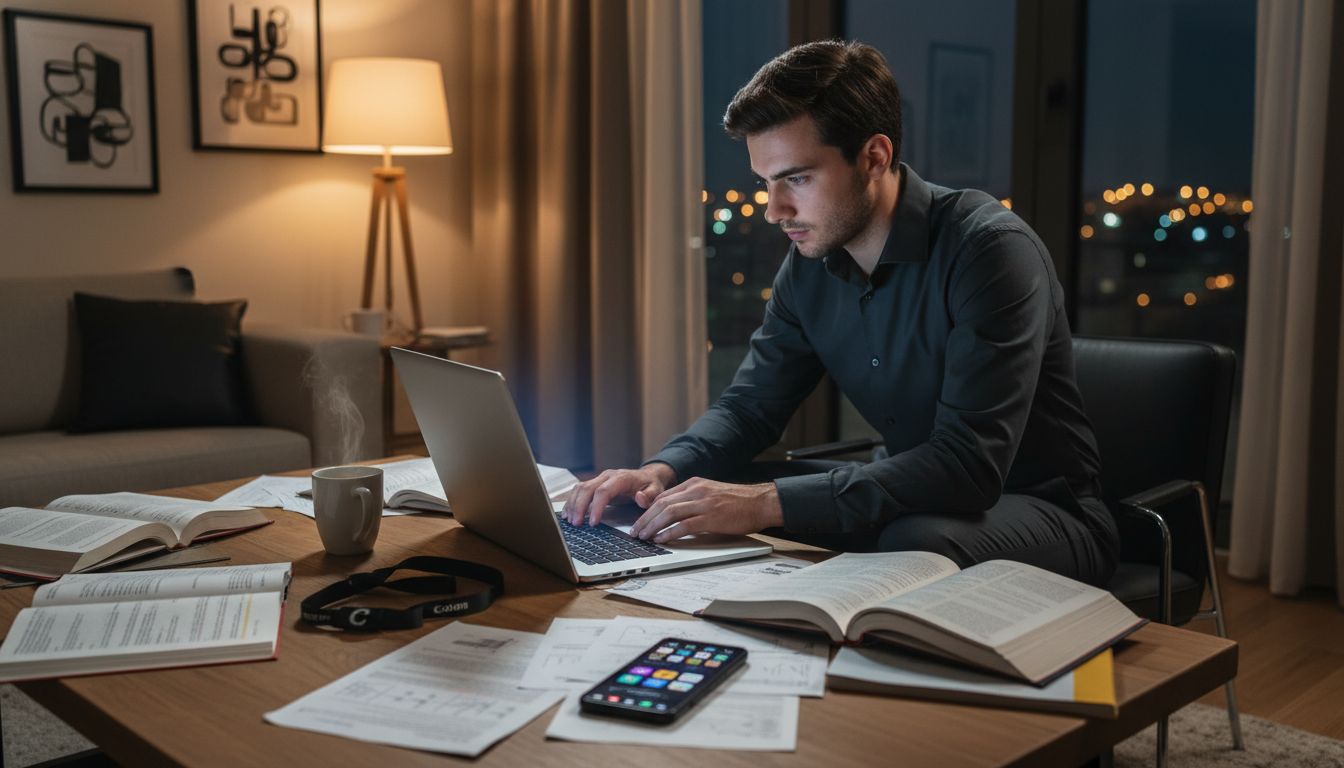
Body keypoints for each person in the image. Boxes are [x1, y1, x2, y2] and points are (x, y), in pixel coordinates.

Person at [563, 40, 1118, 586]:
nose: (775, 210)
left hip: (1043, 512)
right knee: (697, 492)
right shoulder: (810, 261)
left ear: (873, 157)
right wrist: (660, 471)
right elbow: (751, 407)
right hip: (920, 499)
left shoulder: (990, 250)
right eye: (766, 183)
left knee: (911, 541)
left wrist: (766, 504)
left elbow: (968, 467)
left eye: (797, 179)